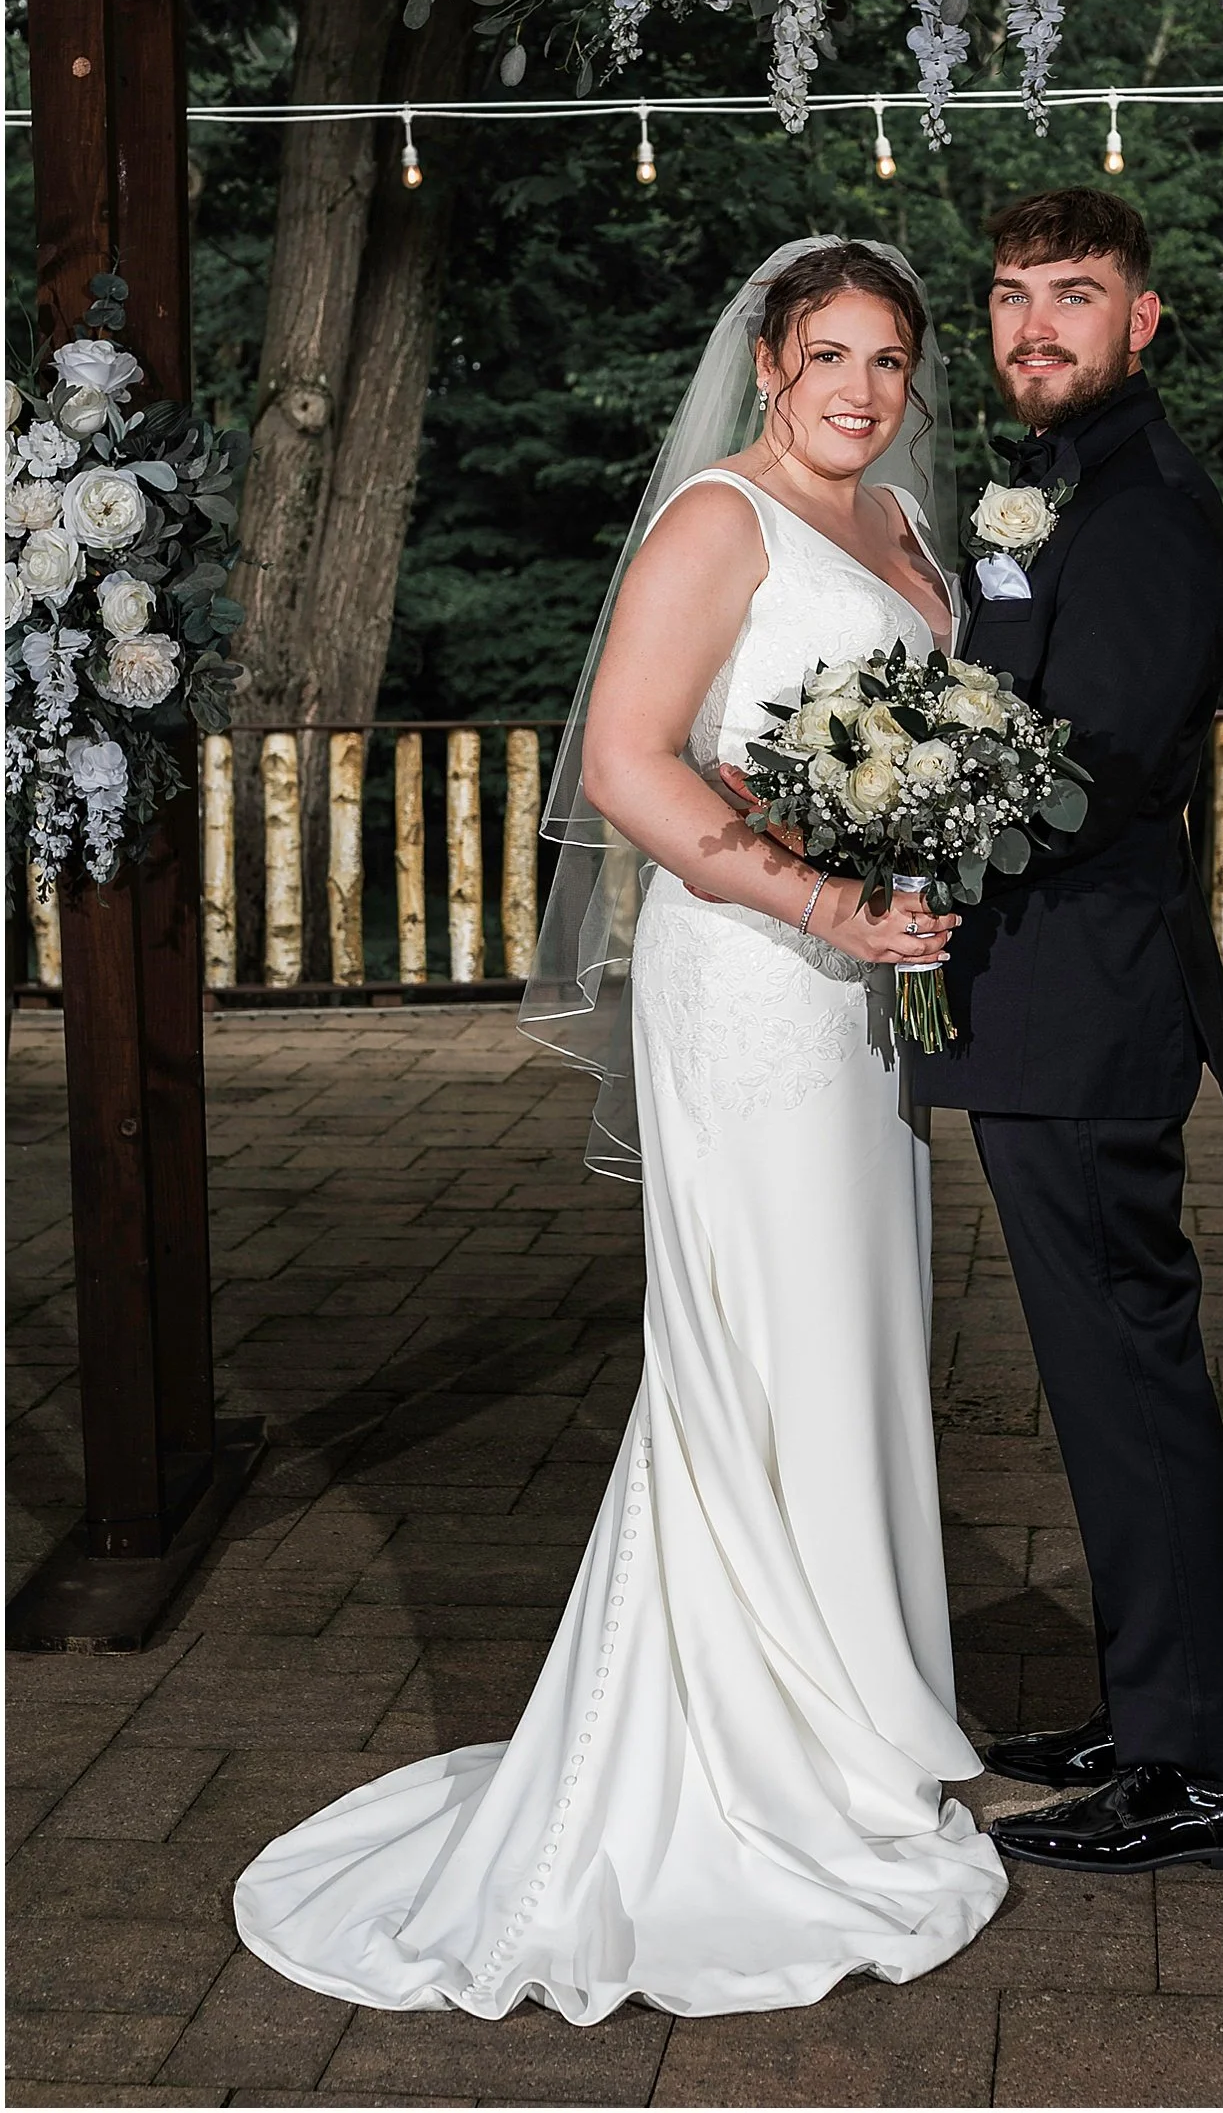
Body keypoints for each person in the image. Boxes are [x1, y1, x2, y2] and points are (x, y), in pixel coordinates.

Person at [233, 238, 1006, 2020]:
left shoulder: (902, 529)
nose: (864, 392)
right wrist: (821, 902)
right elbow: (625, 761)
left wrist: (909, 865)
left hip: (861, 985)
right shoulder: (719, 522)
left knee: (853, 1331)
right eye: (830, 356)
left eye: (891, 360)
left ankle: (854, 1700)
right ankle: (756, 1749)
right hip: (752, 985)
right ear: (765, 364)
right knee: (758, 1343)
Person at [915, 187, 1223, 1875]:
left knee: (1130, 1388)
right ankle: (1153, 1711)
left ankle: (1203, 1778)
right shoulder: (1054, 486)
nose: (1032, 325)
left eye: (1073, 294)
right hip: (1042, 1004)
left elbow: (1089, 766)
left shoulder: (1141, 508)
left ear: (1144, 318)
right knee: (1103, 1383)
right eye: (1007, 295)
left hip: (1086, 1005)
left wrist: (898, 812)